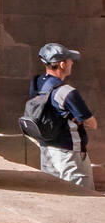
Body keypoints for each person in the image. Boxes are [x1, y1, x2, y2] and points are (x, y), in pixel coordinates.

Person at [29, 42, 96, 188]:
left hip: (47, 151)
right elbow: (92, 123)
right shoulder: (68, 92)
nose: (72, 63)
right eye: (70, 60)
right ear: (62, 65)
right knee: (82, 198)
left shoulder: (36, 83)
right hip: (70, 156)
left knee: (54, 195)